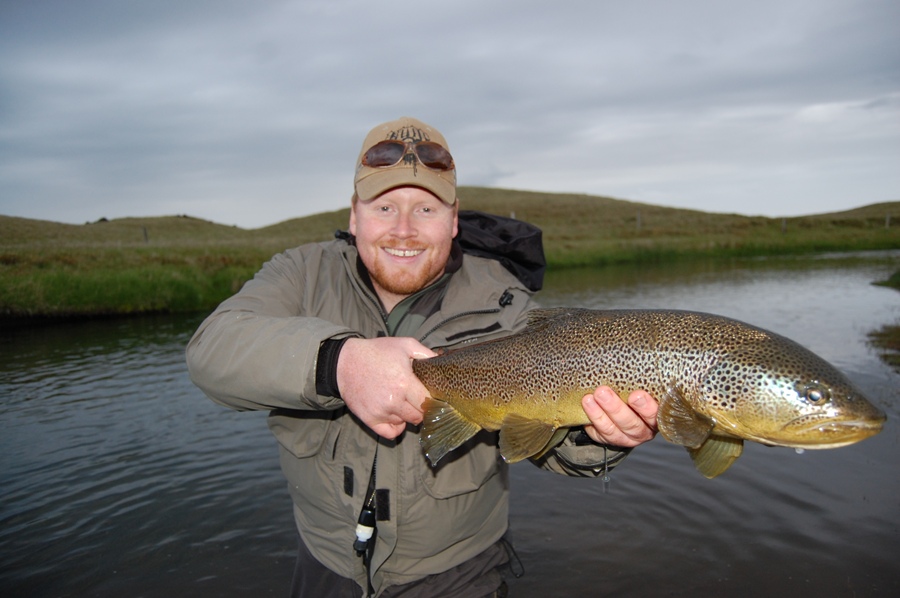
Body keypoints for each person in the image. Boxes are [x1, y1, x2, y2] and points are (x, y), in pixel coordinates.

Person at [186, 116, 658, 598]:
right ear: (354, 215)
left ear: (454, 220)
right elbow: (212, 350)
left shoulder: (506, 306)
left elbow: (551, 444)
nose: (404, 230)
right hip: (325, 565)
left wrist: (603, 437)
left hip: (459, 575)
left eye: (426, 210)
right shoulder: (299, 275)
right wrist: (340, 364)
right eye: (385, 206)